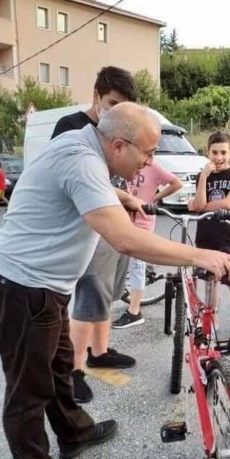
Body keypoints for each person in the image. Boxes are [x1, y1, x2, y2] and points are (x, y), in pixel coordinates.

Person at [0, 102, 230, 459]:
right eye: (148, 152)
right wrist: (198, 255)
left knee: (58, 368)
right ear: (119, 145)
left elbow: (89, 188)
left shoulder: (84, 145)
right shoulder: (83, 160)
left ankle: (74, 432)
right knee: (28, 385)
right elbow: (125, 239)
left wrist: (122, 198)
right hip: (23, 286)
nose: (150, 161)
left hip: (46, 287)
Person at [52, 66, 140, 404]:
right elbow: (82, 181)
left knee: (108, 292)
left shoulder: (116, 130)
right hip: (91, 224)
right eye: (111, 103)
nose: (115, 112)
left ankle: (100, 352)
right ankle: (74, 369)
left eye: (122, 107)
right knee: (90, 294)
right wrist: (128, 198)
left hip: (116, 220)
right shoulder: (71, 128)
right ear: (95, 96)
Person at [188, 131, 230, 342]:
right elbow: (198, 202)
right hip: (205, 236)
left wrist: (200, 206)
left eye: (223, 152)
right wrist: (204, 177)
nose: (219, 157)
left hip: (227, 237)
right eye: (214, 152)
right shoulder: (202, 176)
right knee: (210, 281)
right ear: (208, 152)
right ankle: (212, 319)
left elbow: (227, 203)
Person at [112, 161, 183, 328]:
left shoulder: (154, 166)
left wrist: (155, 198)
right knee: (122, 261)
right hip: (124, 218)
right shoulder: (126, 164)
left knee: (137, 266)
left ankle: (134, 312)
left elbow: (176, 183)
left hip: (143, 220)